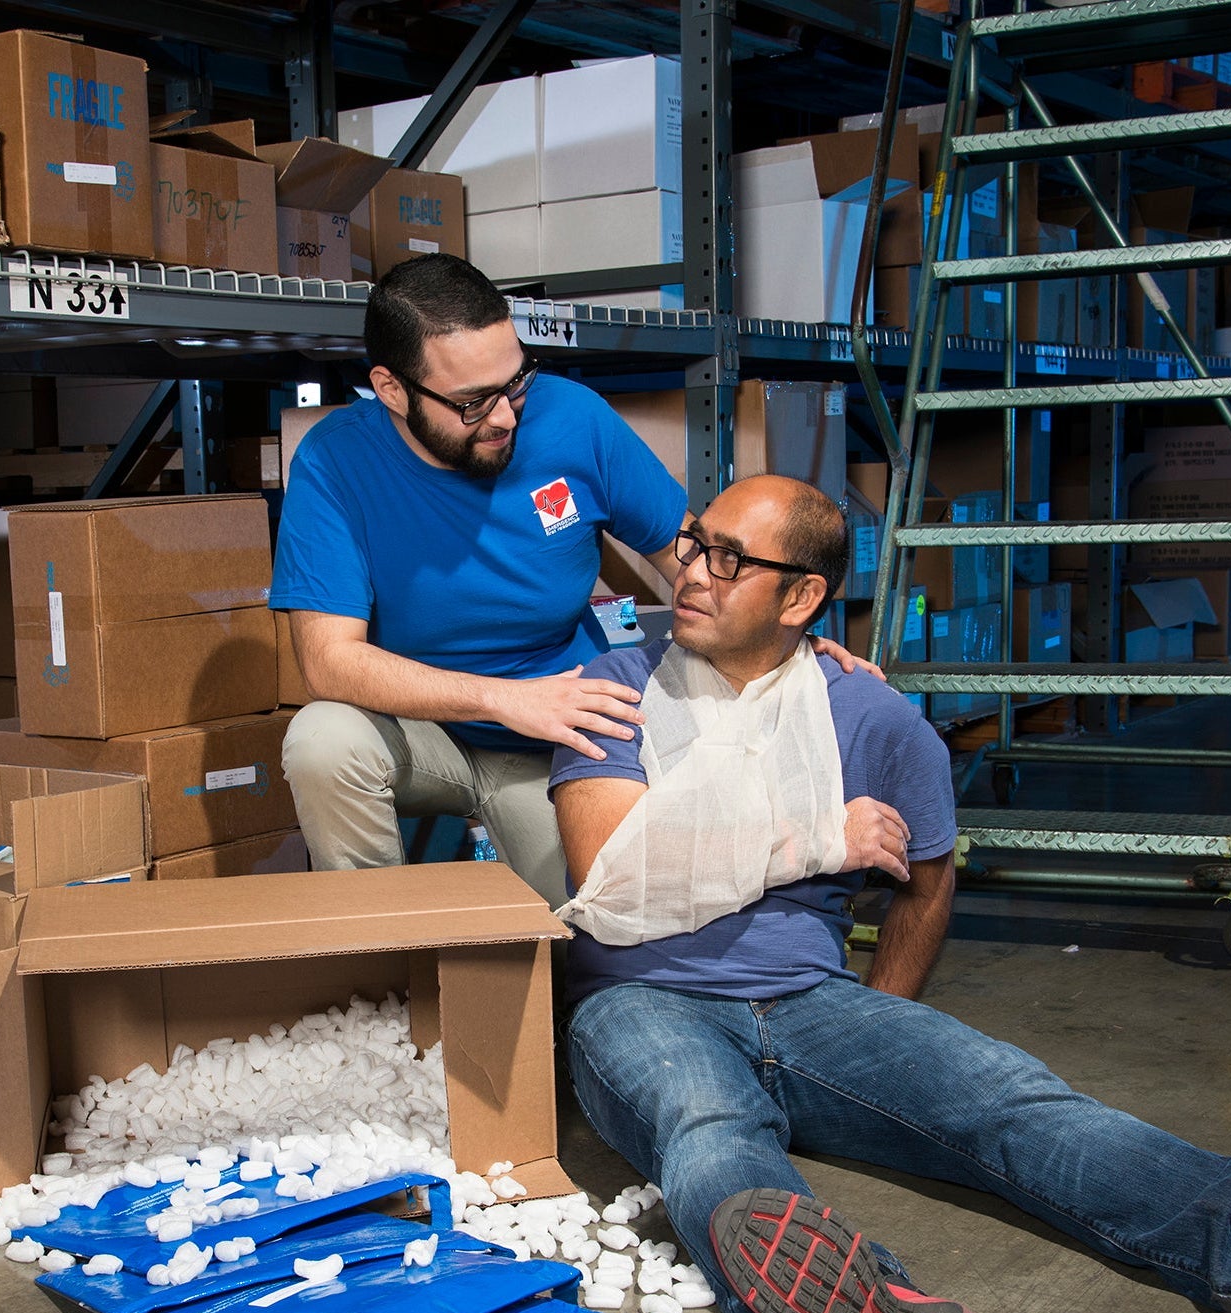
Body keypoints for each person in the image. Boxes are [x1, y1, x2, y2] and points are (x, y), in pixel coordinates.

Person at [547, 474, 1231, 1313]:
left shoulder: (873, 720)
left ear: (802, 598)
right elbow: (609, 868)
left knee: (1013, 1102)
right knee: (707, 1132)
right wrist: (816, 838)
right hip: (640, 996)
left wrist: (877, 1027)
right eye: (695, 543)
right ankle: (855, 1312)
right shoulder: (617, 688)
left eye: (729, 559)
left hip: (812, 1001)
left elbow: (926, 882)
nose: (692, 572)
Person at [271, 254, 867, 907]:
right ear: (390, 389)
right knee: (322, 740)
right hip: (422, 730)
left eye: (515, 382)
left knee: (585, 936)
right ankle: (383, 961)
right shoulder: (335, 460)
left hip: (558, 736)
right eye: (472, 402)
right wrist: (503, 698)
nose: (504, 417)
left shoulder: (572, 419)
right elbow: (328, 663)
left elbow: (692, 559)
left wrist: (779, 648)